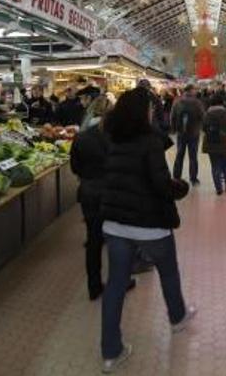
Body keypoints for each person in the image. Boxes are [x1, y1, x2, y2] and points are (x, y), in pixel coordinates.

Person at [99, 87, 196, 373]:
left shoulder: (113, 138)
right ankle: (177, 317)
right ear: (143, 112)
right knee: (168, 272)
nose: (153, 112)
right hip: (149, 224)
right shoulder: (150, 142)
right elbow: (160, 183)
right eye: (150, 108)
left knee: (115, 285)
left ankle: (110, 352)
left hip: (115, 224)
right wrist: (180, 187)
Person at [70, 96, 137, 300]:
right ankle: (120, 282)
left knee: (94, 241)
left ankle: (94, 286)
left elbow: (75, 167)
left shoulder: (81, 138)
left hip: (89, 193)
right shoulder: (120, 137)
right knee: (118, 239)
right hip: (114, 193)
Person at [202, 94, 226, 195]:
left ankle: (218, 188)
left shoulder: (207, 114)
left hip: (211, 143)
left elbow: (203, 128)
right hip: (225, 142)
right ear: (222, 102)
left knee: (215, 166)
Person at [171, 85, 205, 185]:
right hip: (194, 132)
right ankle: (193, 178)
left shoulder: (177, 101)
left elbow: (172, 116)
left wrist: (174, 129)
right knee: (193, 156)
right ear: (191, 90)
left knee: (179, 154)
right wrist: (201, 127)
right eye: (194, 89)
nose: (196, 91)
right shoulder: (197, 102)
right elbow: (202, 116)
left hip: (181, 132)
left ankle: (176, 176)